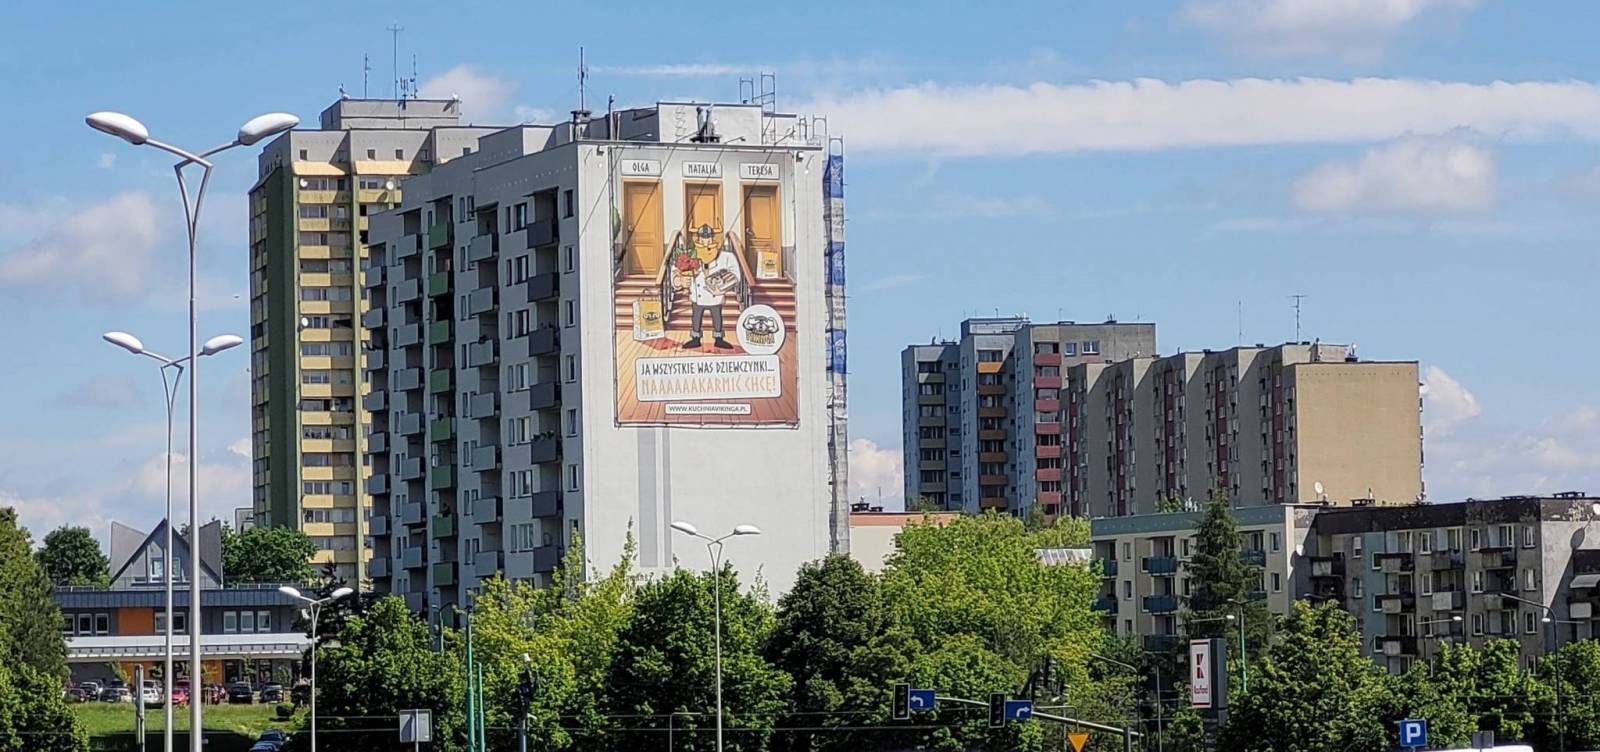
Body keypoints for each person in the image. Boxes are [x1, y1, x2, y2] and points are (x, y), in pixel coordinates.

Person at [683, 223, 741, 350]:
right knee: (696, 316)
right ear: (698, 239)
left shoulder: (725, 256)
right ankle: (695, 338)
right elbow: (678, 271)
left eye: (708, 238)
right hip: (697, 295)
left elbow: (736, 274)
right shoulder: (690, 255)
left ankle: (719, 339)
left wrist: (723, 287)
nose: (706, 241)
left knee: (717, 316)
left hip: (716, 294)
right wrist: (681, 280)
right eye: (703, 238)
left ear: (712, 238)